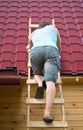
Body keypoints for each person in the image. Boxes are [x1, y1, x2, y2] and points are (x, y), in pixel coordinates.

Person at [28, 21, 61, 123]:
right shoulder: (53, 28)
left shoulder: (33, 33)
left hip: (36, 50)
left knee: (37, 74)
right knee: (50, 81)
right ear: (48, 26)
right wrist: (58, 53)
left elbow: (29, 46)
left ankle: (40, 84)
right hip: (51, 50)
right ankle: (47, 113)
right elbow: (59, 43)